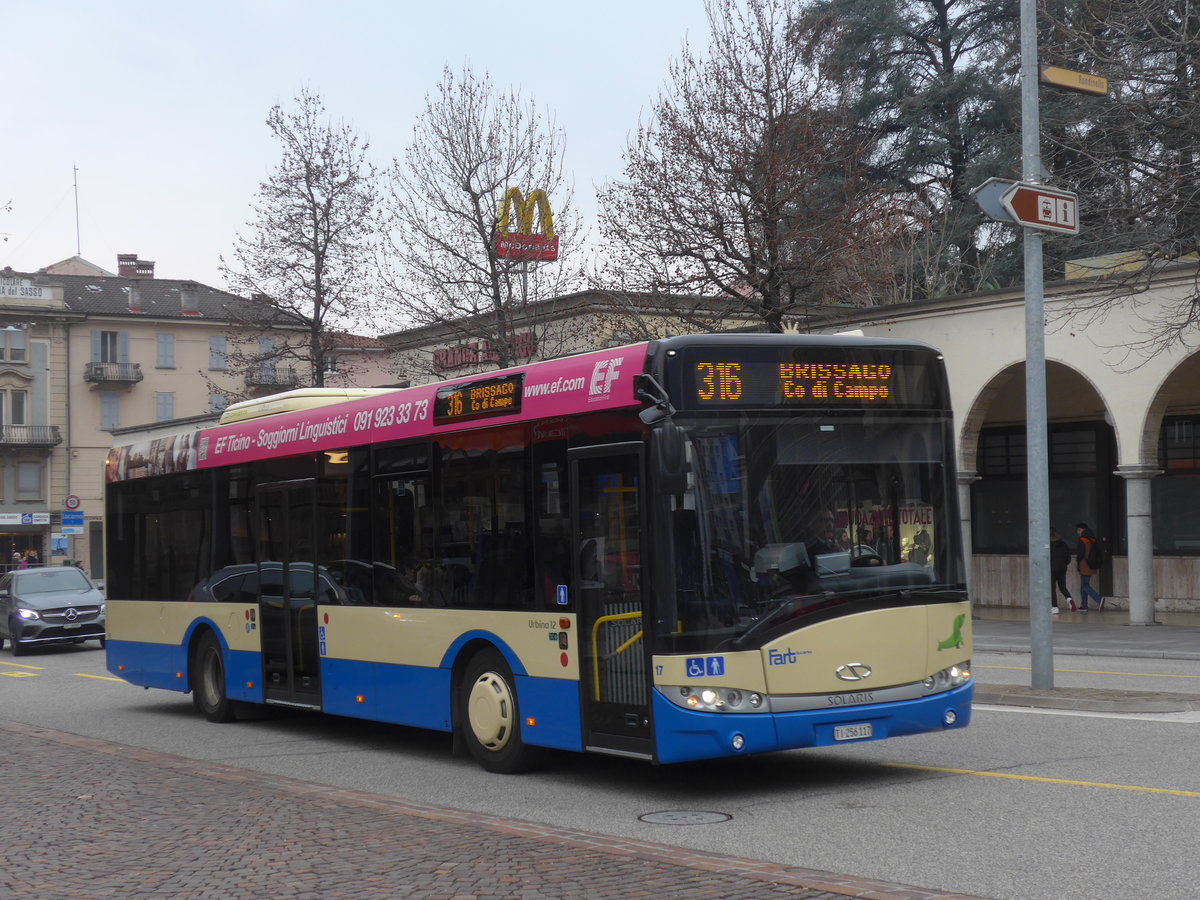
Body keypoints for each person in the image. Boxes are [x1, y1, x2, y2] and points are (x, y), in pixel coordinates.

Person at [1074, 522, 1104, 611]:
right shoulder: (1093, 539)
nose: (1077, 532)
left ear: (1083, 530)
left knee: (1085, 586)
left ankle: (1098, 599)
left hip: (1084, 564)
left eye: (1079, 530)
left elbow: (1080, 554)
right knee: (1083, 585)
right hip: (1092, 564)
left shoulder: (1083, 539)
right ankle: (1084, 606)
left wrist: (1078, 564)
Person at [1049, 527, 1073, 614]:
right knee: (1062, 586)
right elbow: (1068, 558)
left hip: (1052, 569)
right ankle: (1069, 599)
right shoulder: (1063, 544)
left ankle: (1054, 607)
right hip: (1062, 568)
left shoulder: (1048, 544)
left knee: (1052, 588)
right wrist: (1063, 564)